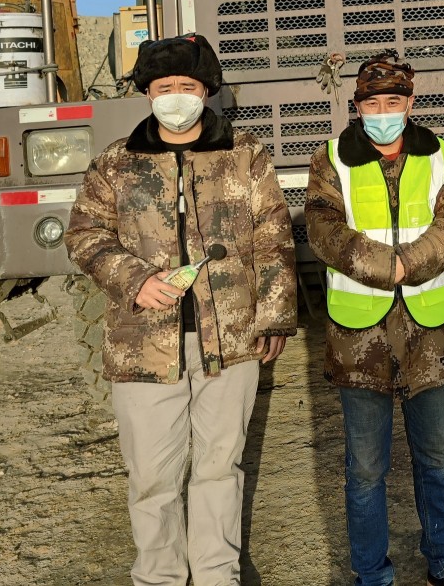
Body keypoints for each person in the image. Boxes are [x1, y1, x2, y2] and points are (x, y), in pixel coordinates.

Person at [66, 34, 296, 586]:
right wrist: (136, 280)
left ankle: (217, 574)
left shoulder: (245, 155)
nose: (175, 97)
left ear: (206, 90)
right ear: (148, 93)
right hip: (142, 345)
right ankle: (159, 577)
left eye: (186, 86)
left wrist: (274, 316)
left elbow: (274, 238)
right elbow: (84, 235)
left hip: (231, 342)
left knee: (219, 468)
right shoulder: (116, 163)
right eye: (163, 86)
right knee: (151, 476)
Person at [305, 50, 444, 586]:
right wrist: (388, 267)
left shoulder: (443, 156)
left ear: (410, 103)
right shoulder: (331, 159)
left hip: (430, 330)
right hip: (360, 335)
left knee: (436, 456)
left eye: (393, 101)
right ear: (357, 106)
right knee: (364, 468)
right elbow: (323, 229)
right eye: (372, 103)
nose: (383, 112)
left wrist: (412, 262)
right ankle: (372, 574)